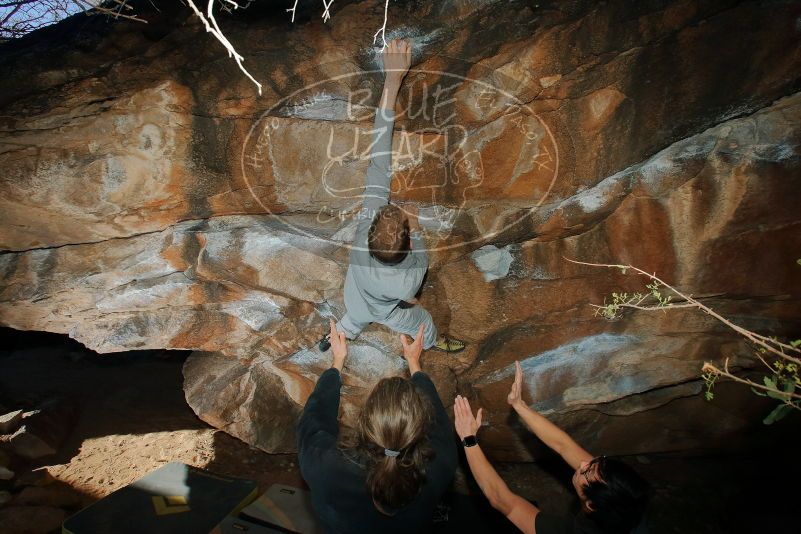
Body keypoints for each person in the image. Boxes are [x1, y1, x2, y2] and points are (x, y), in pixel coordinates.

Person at [319, 38, 465, 354]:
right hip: (388, 309)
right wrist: (416, 224)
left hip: (356, 299)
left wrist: (392, 79)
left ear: (370, 231)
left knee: (353, 319)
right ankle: (433, 341)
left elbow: (379, 152)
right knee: (420, 319)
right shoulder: (410, 280)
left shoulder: (364, 229)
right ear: (408, 243)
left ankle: (335, 337)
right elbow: (412, 291)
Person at [298, 320, 458, 533]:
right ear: (420, 427)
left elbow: (314, 417)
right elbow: (439, 424)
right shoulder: (439, 467)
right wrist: (414, 365)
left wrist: (337, 362)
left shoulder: (324, 467)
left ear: (363, 421)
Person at [453, 361, 650, 534]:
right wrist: (520, 405)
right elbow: (563, 445)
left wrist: (468, 439)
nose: (582, 463)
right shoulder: (625, 501)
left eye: (586, 472)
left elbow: (504, 502)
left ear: (591, 505)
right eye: (595, 463)